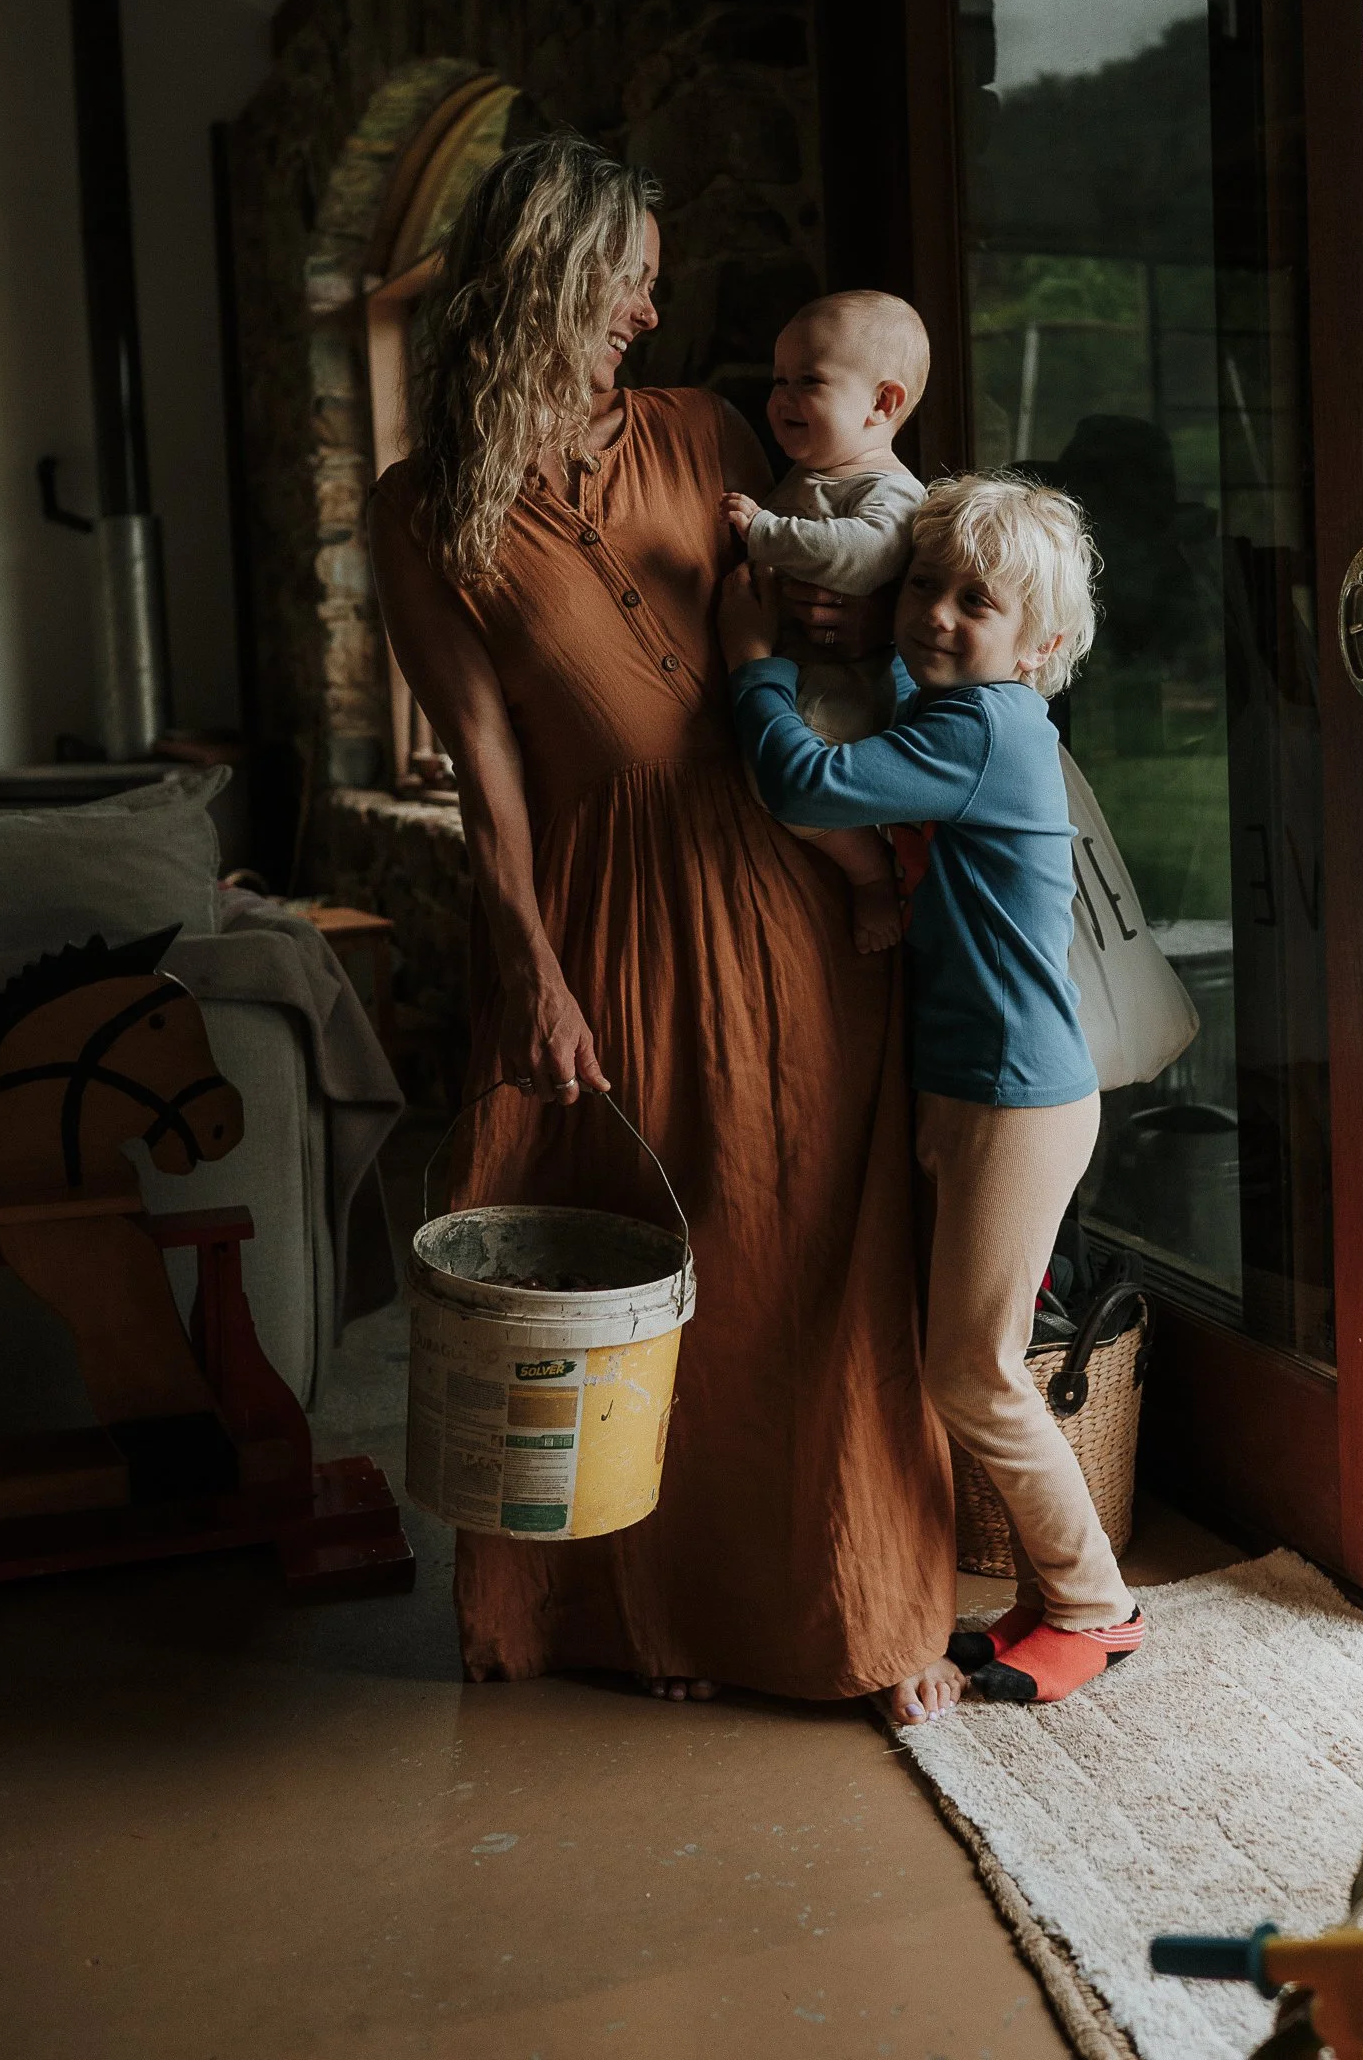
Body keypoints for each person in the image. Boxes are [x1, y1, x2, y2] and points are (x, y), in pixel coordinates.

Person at [368, 130, 960, 1722]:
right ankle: (649, 1619)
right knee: (652, 1256)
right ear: (551, 279)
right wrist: (532, 972)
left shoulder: (707, 427)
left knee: (810, 1254)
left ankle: (859, 1615)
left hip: (784, 874)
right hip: (612, 911)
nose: (646, 313)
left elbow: (869, 570)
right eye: (626, 281)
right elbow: (486, 768)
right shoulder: (421, 508)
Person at [720, 472, 1147, 1707]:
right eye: (922, 585)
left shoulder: (984, 732)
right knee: (971, 1354)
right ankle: (1047, 1597)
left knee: (975, 1369)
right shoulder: (954, 713)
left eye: (977, 601)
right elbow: (901, 695)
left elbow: (801, 782)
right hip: (978, 1087)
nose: (937, 616)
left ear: (1042, 647)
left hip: (1016, 1099)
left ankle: (1094, 1606)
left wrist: (754, 664)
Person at [719, 289, 930, 953]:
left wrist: (763, 531)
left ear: (883, 404)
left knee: (787, 789)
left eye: (807, 380)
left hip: (842, 688)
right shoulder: (813, 473)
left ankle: (869, 872)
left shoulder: (888, 489)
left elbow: (863, 559)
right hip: (794, 667)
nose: (781, 398)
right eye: (777, 380)